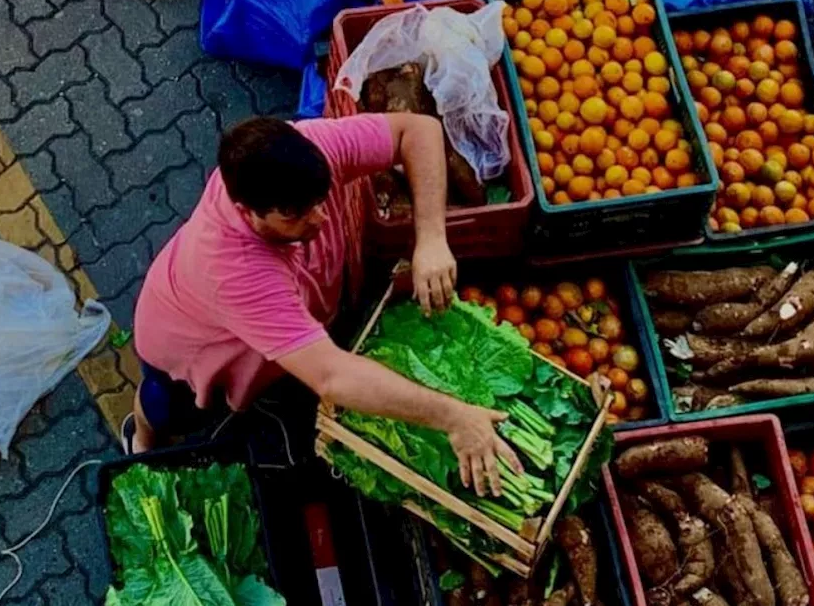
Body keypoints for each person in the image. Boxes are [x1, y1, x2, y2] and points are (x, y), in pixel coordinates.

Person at [127, 113, 521, 495]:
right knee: (169, 409)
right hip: (184, 346)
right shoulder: (235, 270)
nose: (318, 219)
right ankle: (141, 442)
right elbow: (330, 376)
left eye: (319, 200)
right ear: (247, 212)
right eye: (294, 215)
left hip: (265, 321)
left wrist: (432, 239)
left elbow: (417, 130)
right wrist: (453, 417)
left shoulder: (312, 147)